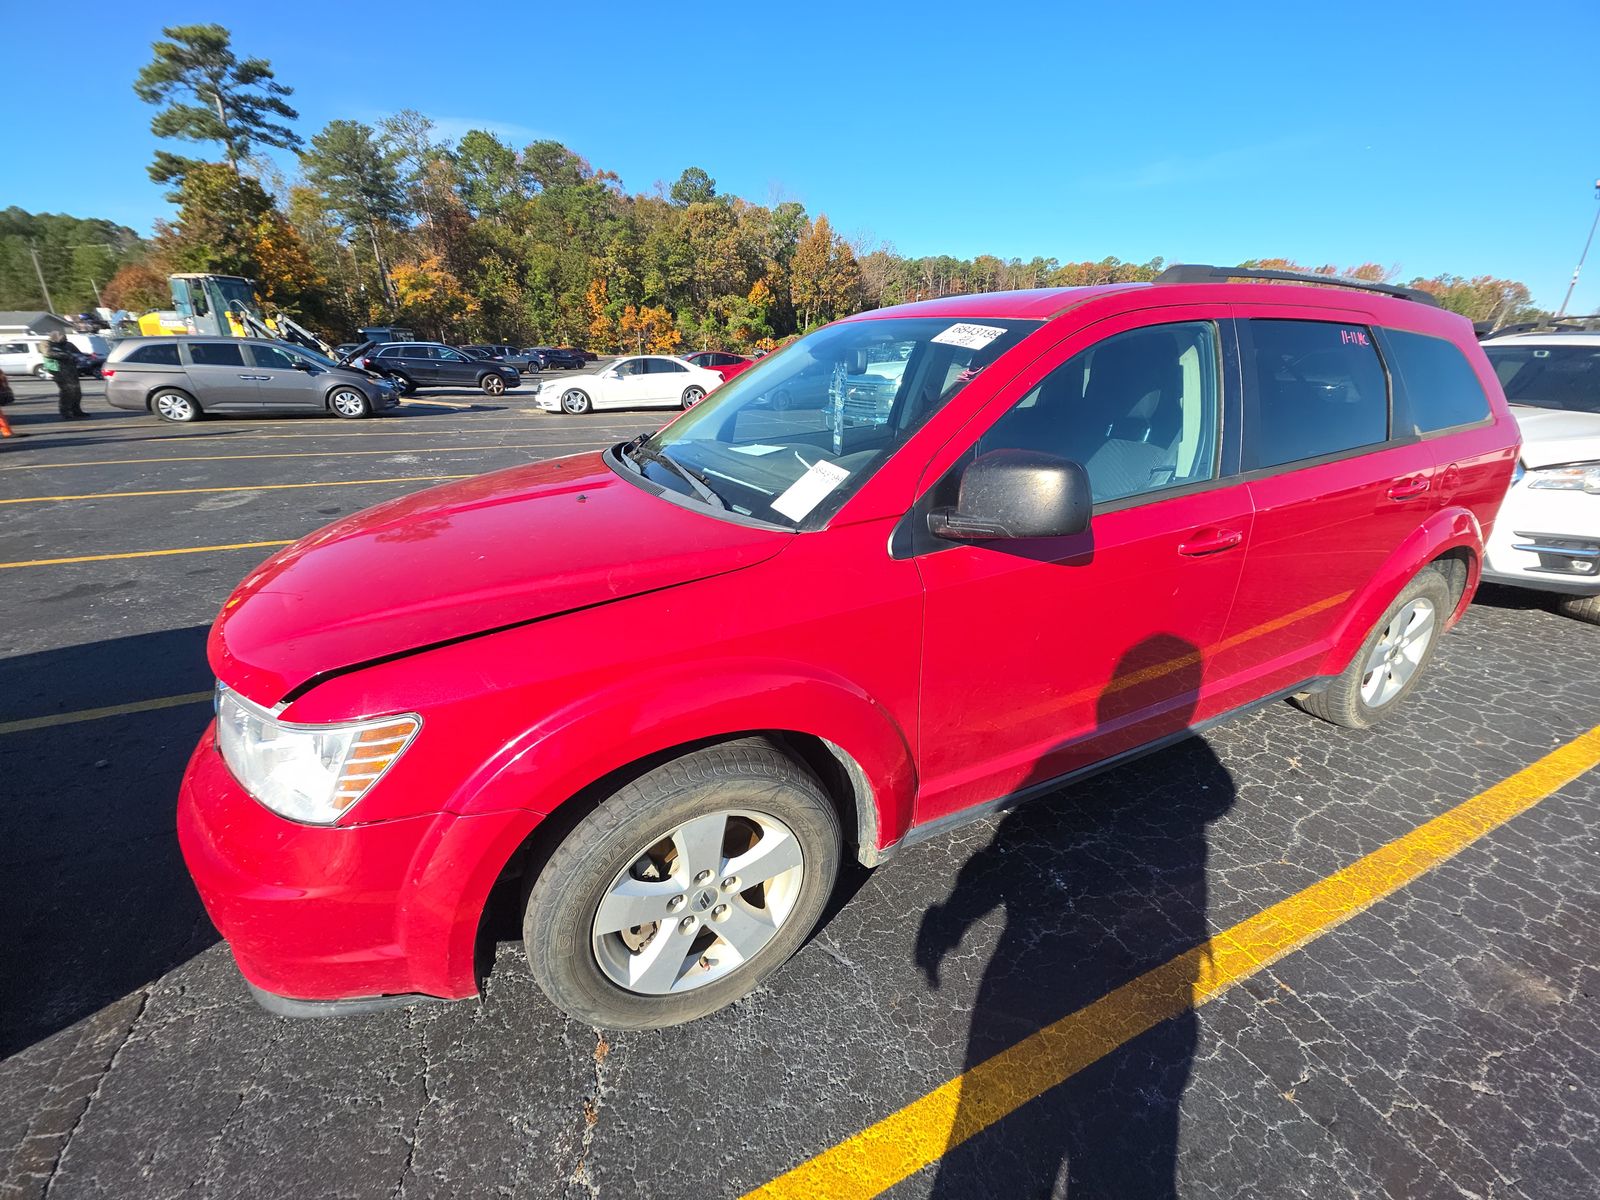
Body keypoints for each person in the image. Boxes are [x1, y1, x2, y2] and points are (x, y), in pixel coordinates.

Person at [43, 331, 84, 420]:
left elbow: (78, 353)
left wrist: (86, 356)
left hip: (72, 371)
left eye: (65, 337)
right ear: (56, 337)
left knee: (77, 392)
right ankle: (65, 412)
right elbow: (48, 353)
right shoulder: (47, 343)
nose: (65, 339)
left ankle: (76, 411)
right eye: (63, 337)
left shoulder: (68, 344)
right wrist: (67, 355)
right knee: (66, 392)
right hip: (59, 371)